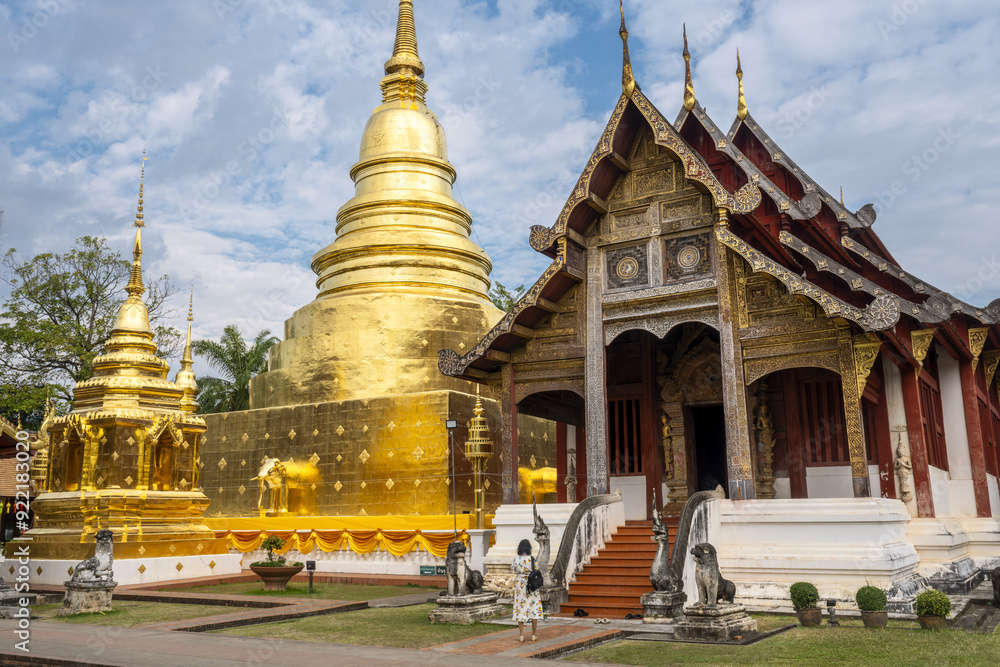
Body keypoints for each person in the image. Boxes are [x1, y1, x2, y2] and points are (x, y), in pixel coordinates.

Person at [511, 538, 543, 642]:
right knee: (534, 609)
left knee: (520, 609)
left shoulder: (516, 559)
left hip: (520, 586)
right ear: (529, 548)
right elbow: (536, 569)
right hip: (531, 586)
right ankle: (533, 634)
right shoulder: (532, 559)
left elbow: (514, 569)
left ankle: (521, 635)